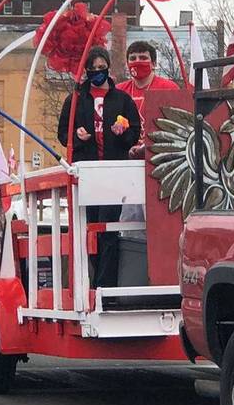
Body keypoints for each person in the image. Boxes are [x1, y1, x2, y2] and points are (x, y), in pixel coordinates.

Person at [57, 47, 141, 287]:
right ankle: (91, 281)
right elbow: (63, 134)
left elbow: (134, 133)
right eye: (92, 69)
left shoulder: (122, 100)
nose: (97, 73)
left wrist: (123, 133)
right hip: (87, 173)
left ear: (108, 69)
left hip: (113, 172)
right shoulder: (75, 99)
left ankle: (107, 285)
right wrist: (76, 134)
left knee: (109, 230)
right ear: (86, 72)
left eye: (101, 68)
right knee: (89, 229)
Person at [115, 40, 180, 159]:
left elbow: (175, 127)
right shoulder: (118, 90)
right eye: (133, 58)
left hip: (159, 157)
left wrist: (148, 146)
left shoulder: (169, 88)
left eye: (143, 57)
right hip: (126, 158)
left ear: (154, 63)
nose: (137, 61)